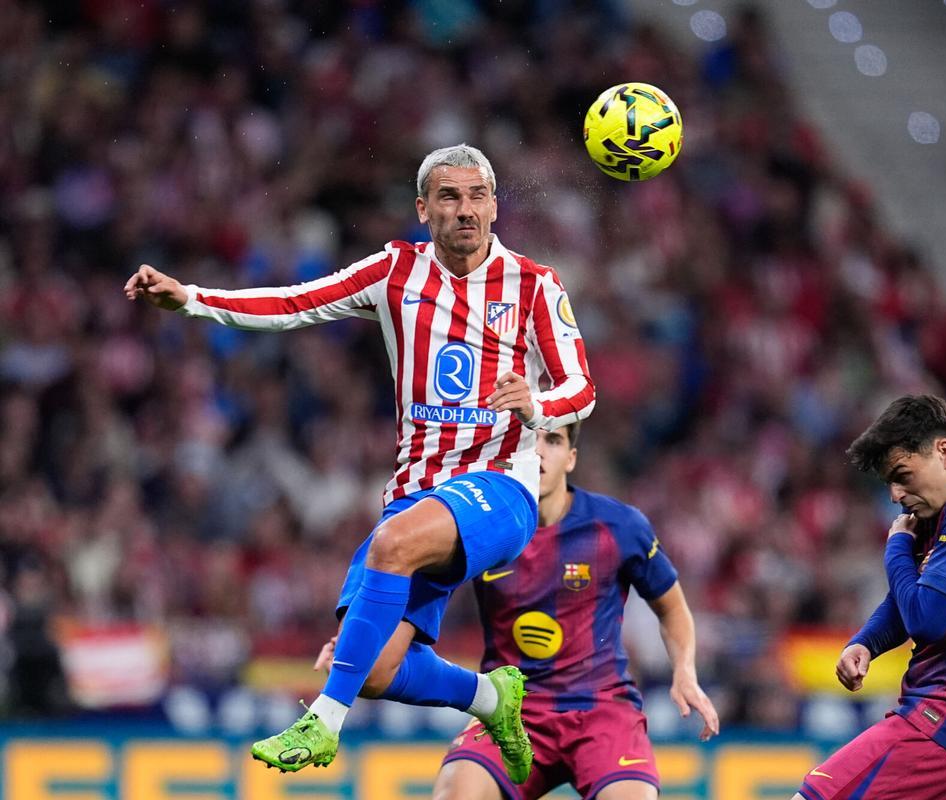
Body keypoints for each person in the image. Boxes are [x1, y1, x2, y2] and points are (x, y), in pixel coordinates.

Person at [124, 144, 596, 781]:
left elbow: (582, 389)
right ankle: (492, 697)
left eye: (478, 196)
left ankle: (323, 722)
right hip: (418, 490)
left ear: (495, 206)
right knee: (373, 671)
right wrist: (191, 300)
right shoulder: (394, 272)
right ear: (423, 208)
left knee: (392, 548)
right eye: (450, 198)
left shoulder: (536, 285)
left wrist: (537, 405)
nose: (466, 211)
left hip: (501, 491)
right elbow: (296, 303)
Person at [316, 422, 719, 799]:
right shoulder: (479, 527)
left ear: (571, 457)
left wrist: (684, 669)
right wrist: (355, 640)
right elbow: (407, 587)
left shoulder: (618, 527)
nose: (539, 452)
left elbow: (672, 607)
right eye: (530, 438)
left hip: (602, 709)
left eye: (554, 441)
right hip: (512, 710)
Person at [794, 395, 946, 800]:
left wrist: (896, 547)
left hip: (944, 726)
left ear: (943, 452)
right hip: (943, 727)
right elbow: (913, 598)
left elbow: (925, 617)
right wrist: (867, 642)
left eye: (902, 475)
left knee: (817, 796)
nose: (894, 494)